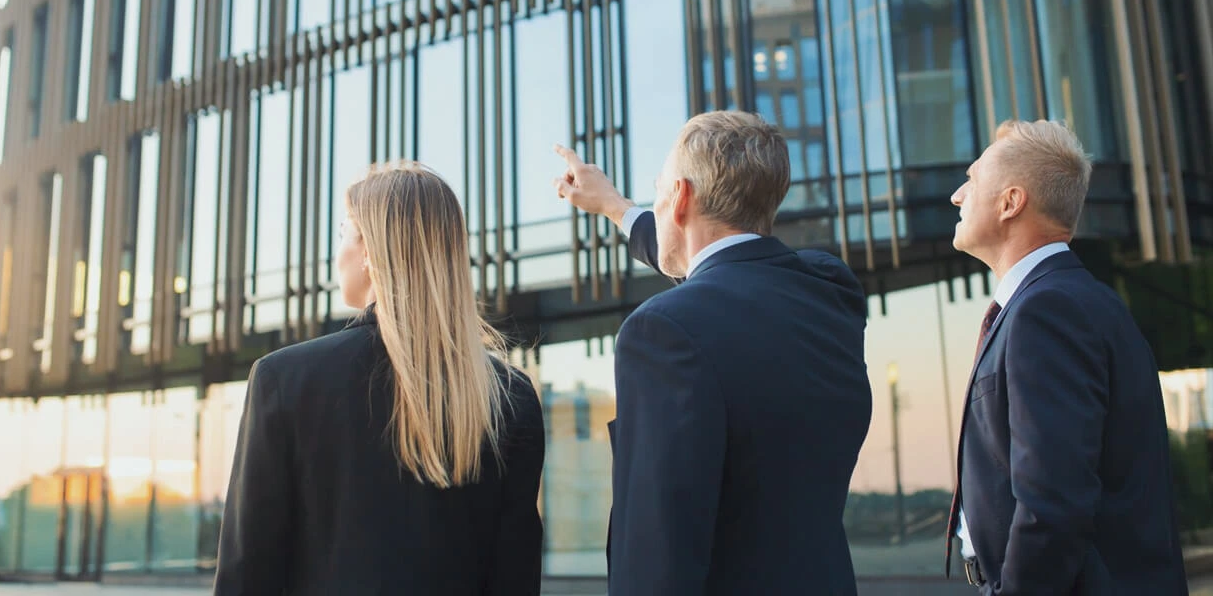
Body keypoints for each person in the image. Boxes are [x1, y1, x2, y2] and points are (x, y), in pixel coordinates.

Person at [553, 110, 872, 595]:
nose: (657, 204)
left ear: (680, 197)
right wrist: (617, 208)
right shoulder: (831, 292)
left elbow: (655, 554)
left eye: (660, 190)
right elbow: (727, 275)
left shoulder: (661, 333)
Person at [214, 162, 546, 596]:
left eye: (343, 233)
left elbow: (247, 576)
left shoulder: (283, 379)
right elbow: (514, 580)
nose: (338, 252)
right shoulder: (510, 396)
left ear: (370, 250)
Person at [946, 119, 1187, 594]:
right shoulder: (1079, 302)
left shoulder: (1048, 311)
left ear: (1010, 202)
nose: (957, 195)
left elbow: (1053, 504)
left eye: (972, 179)